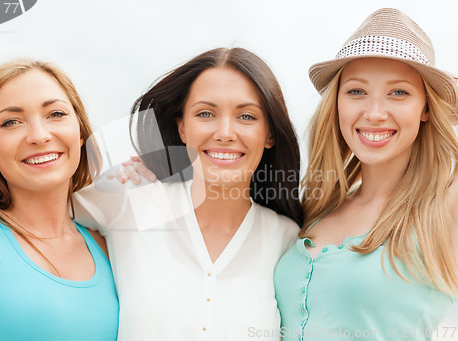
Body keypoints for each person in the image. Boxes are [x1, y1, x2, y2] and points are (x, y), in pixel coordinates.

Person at [73, 47, 302, 340]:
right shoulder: (130, 200)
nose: (225, 132)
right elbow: (30, 210)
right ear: (181, 128)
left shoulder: (286, 240)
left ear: (270, 133)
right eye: (205, 113)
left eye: (246, 116)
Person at [274, 8, 458, 341]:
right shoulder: (317, 207)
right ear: (337, 103)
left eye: (398, 92)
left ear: (426, 108)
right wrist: (159, 178)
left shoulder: (443, 205)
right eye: (357, 91)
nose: (374, 113)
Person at [0, 59, 119, 340]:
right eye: (11, 122)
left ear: (80, 133)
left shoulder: (109, 247)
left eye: (56, 114)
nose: (39, 136)